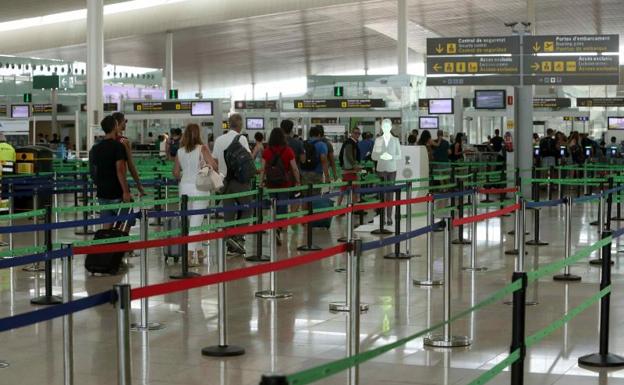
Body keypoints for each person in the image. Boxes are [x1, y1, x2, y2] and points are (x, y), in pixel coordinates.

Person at [173, 123, 218, 266]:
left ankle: (199, 252)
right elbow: (214, 166)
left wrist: (186, 173)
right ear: (199, 134)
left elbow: (175, 173)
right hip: (200, 188)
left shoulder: (180, 151)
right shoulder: (202, 148)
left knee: (192, 220)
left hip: (184, 188)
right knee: (196, 222)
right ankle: (188, 255)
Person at [212, 113, 253, 256]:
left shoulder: (219, 140)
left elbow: (215, 163)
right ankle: (238, 238)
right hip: (240, 181)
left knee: (229, 212)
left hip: (224, 181)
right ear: (240, 125)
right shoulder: (241, 139)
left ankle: (230, 242)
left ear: (229, 124)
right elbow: (249, 159)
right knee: (248, 208)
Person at [89, 116, 132, 229]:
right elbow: (120, 170)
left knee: (106, 225)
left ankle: (107, 245)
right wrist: (126, 191)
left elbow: (94, 171)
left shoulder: (96, 148)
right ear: (115, 127)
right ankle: (122, 246)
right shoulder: (118, 146)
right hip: (116, 192)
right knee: (124, 224)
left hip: (102, 192)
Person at [259, 127, 301, 245]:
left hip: (271, 184)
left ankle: (274, 225)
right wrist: (298, 181)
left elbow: (263, 169)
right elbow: (294, 168)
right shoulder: (288, 150)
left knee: (273, 205)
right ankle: (280, 227)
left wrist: (261, 182)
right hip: (284, 184)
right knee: (283, 205)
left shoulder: (267, 151)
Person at [112, 112, 145, 196]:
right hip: (120, 183)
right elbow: (130, 165)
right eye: (124, 121)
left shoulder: (105, 142)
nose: (125, 123)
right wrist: (138, 184)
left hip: (105, 185)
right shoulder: (124, 141)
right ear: (119, 122)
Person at [300, 125, 330, 195]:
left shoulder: (303, 144)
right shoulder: (322, 145)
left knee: (305, 197)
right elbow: (323, 161)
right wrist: (327, 177)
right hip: (316, 174)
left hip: (304, 173)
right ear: (319, 134)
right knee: (315, 196)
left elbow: (300, 159)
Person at [337, 127, 361, 206]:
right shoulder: (350, 143)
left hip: (346, 170)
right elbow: (348, 155)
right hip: (350, 170)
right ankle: (353, 208)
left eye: (358, 133)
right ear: (352, 133)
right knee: (354, 189)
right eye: (356, 133)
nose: (357, 135)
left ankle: (338, 207)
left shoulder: (349, 142)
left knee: (343, 189)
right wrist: (355, 166)